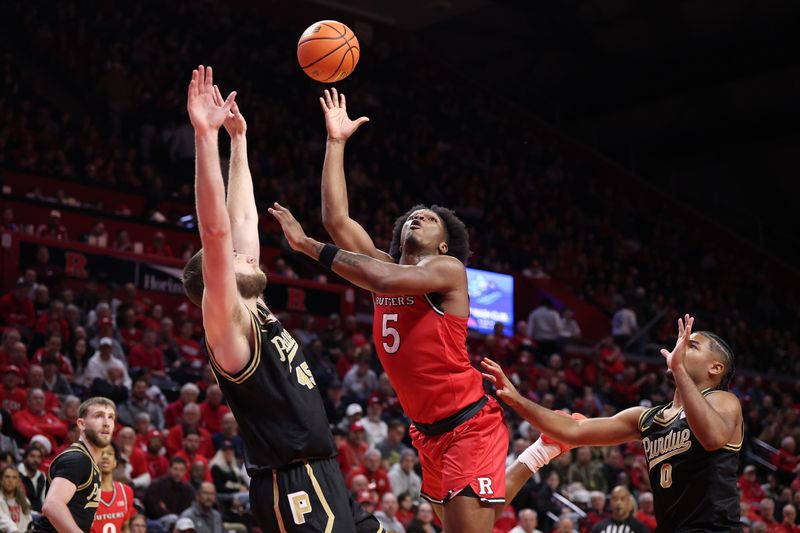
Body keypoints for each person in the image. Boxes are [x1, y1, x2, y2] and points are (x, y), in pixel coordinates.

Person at [269, 88, 508, 533]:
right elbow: (336, 220)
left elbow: (381, 279)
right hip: (426, 432)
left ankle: (532, 457)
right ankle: (534, 457)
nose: (417, 217)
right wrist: (336, 143)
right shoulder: (382, 265)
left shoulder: (447, 269)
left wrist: (306, 248)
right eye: (412, 215)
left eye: (428, 218)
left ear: (442, 242)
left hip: (469, 424)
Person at [181, 66, 379, 532]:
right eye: (231, 256)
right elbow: (216, 229)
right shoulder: (228, 324)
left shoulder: (255, 305)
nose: (243, 251)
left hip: (323, 471)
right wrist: (205, 137)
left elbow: (243, 218)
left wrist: (239, 141)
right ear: (215, 279)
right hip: (292, 483)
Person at [482, 314, 743, 532]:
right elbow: (573, 431)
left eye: (692, 345)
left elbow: (712, 437)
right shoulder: (647, 418)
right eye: (681, 342)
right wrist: (517, 400)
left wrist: (679, 370)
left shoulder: (723, 400)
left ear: (715, 368)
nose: (681, 347)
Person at [34, 396, 116, 533]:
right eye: (99, 416)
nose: (106, 423)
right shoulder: (78, 459)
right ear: (81, 424)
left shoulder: (89, 461)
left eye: (111, 417)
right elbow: (52, 505)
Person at [91, 444, 135, 533]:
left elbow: (125, 527)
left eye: (110, 453)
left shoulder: (126, 491)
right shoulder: (84, 492)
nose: (105, 456)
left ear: (115, 462)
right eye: (101, 453)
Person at [0, 465, 33, 532]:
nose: (10, 481)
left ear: (18, 481)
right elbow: (1, 518)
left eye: (14, 477)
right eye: (7, 477)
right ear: (1, 480)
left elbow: (28, 522)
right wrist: (14, 530)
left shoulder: (25, 501)